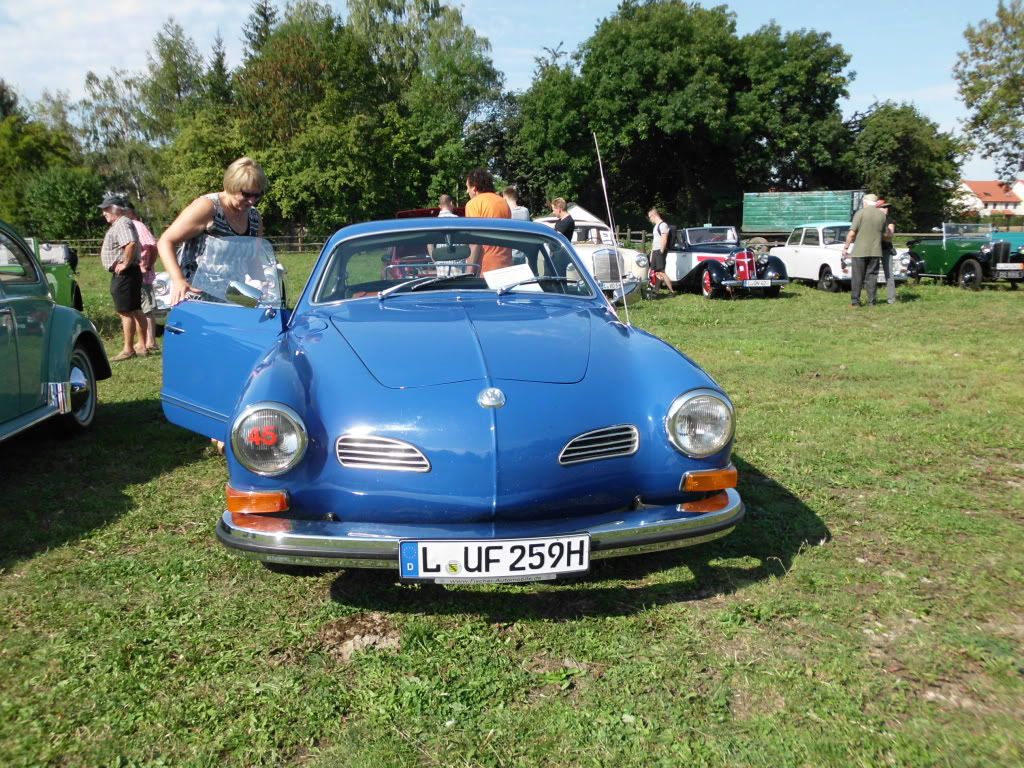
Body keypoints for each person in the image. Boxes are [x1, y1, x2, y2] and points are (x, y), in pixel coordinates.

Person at [157, 156, 266, 306]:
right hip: (196, 297)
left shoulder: (254, 218)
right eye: (246, 194)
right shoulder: (208, 207)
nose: (252, 201)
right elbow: (165, 241)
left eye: (257, 195)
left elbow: (254, 260)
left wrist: (265, 288)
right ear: (231, 185)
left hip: (234, 299)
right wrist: (178, 280)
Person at [98, 194, 146, 361]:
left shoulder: (122, 223)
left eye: (106, 210)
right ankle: (142, 345)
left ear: (115, 210)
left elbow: (130, 243)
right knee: (135, 309)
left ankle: (128, 349)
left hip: (126, 274)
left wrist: (125, 263)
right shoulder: (123, 223)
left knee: (125, 311)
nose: (104, 213)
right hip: (130, 273)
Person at [842, 193, 888, 306]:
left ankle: (855, 302)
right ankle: (872, 301)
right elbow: (885, 235)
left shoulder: (860, 213)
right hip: (875, 251)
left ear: (865, 202)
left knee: (857, 277)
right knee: (872, 277)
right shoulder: (882, 215)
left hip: (859, 251)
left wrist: (846, 247)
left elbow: (852, 233)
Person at [125, 202, 159, 352]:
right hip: (134, 275)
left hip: (142, 274)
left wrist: (148, 265)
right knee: (138, 307)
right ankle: (144, 341)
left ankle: (150, 341)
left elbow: (152, 245)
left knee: (146, 308)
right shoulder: (127, 226)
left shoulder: (137, 226)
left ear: (129, 212)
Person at [464, 168, 511, 274]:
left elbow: (475, 241)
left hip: (485, 269)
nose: (467, 191)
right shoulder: (503, 203)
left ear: (474, 188)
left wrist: (469, 272)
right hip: (506, 266)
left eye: (467, 187)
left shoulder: (473, 204)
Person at [647, 207, 675, 295]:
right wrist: (652, 253)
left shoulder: (663, 225)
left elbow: (664, 238)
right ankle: (656, 291)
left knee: (661, 272)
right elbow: (655, 241)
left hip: (660, 251)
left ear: (654, 215)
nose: (650, 219)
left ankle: (672, 291)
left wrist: (661, 251)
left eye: (650, 217)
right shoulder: (656, 226)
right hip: (655, 251)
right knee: (656, 272)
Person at [877, 199, 897, 304]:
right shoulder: (873, 219)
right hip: (874, 249)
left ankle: (891, 299)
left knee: (889, 274)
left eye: (887, 207)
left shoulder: (889, 220)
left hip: (886, 249)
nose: (886, 209)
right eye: (883, 207)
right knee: (871, 274)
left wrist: (878, 234)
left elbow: (890, 235)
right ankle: (872, 299)